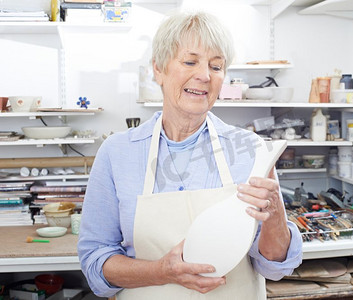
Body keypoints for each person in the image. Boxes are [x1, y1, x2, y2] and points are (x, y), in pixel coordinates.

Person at [78, 10, 302, 299]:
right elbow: (96, 262)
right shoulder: (117, 153)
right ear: (158, 69)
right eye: (190, 61)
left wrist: (274, 217)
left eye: (217, 66)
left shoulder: (251, 149)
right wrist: (160, 271)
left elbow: (275, 268)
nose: (204, 76)